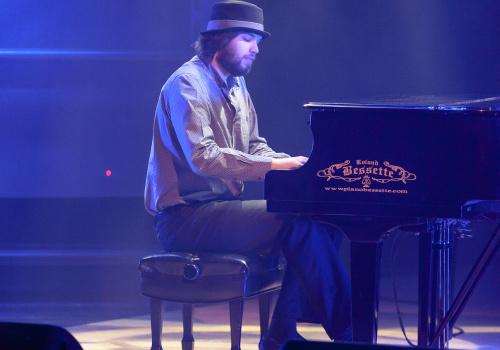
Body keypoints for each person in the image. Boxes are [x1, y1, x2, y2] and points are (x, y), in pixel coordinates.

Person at [144, 1, 352, 348]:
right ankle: (347, 331)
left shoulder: (236, 86)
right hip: (185, 218)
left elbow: (255, 146)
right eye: (247, 38)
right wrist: (274, 166)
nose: (256, 48)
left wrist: (295, 164)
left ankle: (281, 332)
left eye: (258, 40)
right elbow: (203, 158)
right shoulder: (187, 84)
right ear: (219, 39)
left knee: (322, 215)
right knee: (298, 219)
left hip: (218, 212)